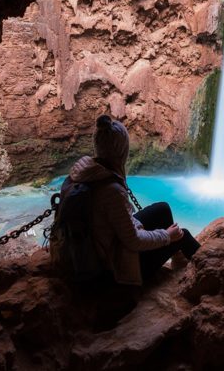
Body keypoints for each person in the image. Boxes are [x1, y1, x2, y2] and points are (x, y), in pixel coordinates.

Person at [66, 114, 200, 285]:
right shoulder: (111, 190)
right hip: (114, 267)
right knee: (182, 235)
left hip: (100, 244)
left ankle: (176, 256)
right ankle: (209, 271)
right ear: (122, 151)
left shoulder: (85, 171)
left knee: (163, 209)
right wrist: (167, 235)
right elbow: (134, 241)